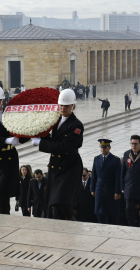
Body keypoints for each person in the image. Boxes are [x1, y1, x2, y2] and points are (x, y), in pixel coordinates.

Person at [30, 89, 83, 220]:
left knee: (63, 201)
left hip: (69, 168)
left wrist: (41, 143)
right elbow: (53, 140)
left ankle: (71, 226)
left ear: (73, 106)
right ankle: (60, 229)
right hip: (55, 166)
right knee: (54, 203)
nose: (63, 108)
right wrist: (40, 136)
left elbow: (64, 146)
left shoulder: (76, 125)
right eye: (61, 105)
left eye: (66, 105)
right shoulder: (55, 121)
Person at [0, 86, 28, 215]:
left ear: (2, 101)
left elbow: (21, 132)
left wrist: (29, 134)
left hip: (9, 158)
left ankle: (4, 216)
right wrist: (5, 141)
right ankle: (3, 216)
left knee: (2, 189)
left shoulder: (11, 115)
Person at [91, 139, 122, 225]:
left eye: (105, 147)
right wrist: (92, 189)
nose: (103, 149)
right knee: (100, 213)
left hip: (110, 189)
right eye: (101, 147)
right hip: (99, 189)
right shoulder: (97, 159)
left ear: (109, 147)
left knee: (111, 213)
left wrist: (117, 191)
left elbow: (118, 177)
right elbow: (94, 175)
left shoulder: (115, 160)